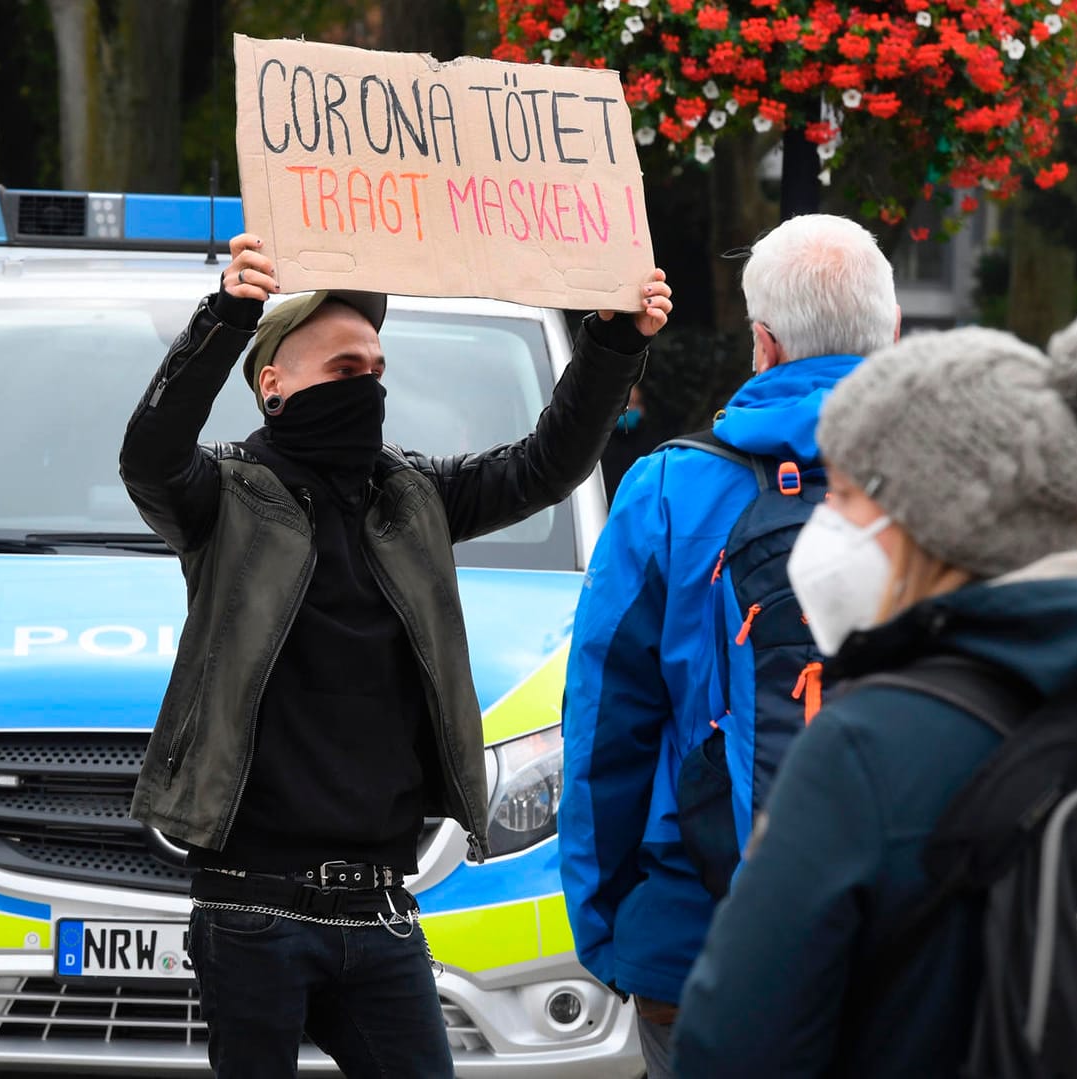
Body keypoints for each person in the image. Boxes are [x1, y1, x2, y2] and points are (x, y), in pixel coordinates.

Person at [672, 318, 1077, 1076]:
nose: (823, 524)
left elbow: (733, 1046)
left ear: (927, 519)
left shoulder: (863, 749)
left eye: (842, 493)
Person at [119, 232, 670, 1077]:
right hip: (250, 907)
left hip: (380, 908)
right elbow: (150, 455)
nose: (367, 385)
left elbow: (546, 465)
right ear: (274, 385)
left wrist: (613, 339)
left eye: (376, 370)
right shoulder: (224, 497)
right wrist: (228, 313)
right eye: (344, 370)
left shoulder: (412, 495)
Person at [559, 214, 898, 1075]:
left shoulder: (669, 487)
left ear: (762, 344)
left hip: (698, 933)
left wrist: (614, 932)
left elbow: (605, 728)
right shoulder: (961, 484)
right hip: (910, 940)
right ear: (893, 334)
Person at [600, 381, 662, 499]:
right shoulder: (600, 444)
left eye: (633, 403)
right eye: (623, 403)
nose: (627, 409)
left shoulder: (651, 447)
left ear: (642, 408)